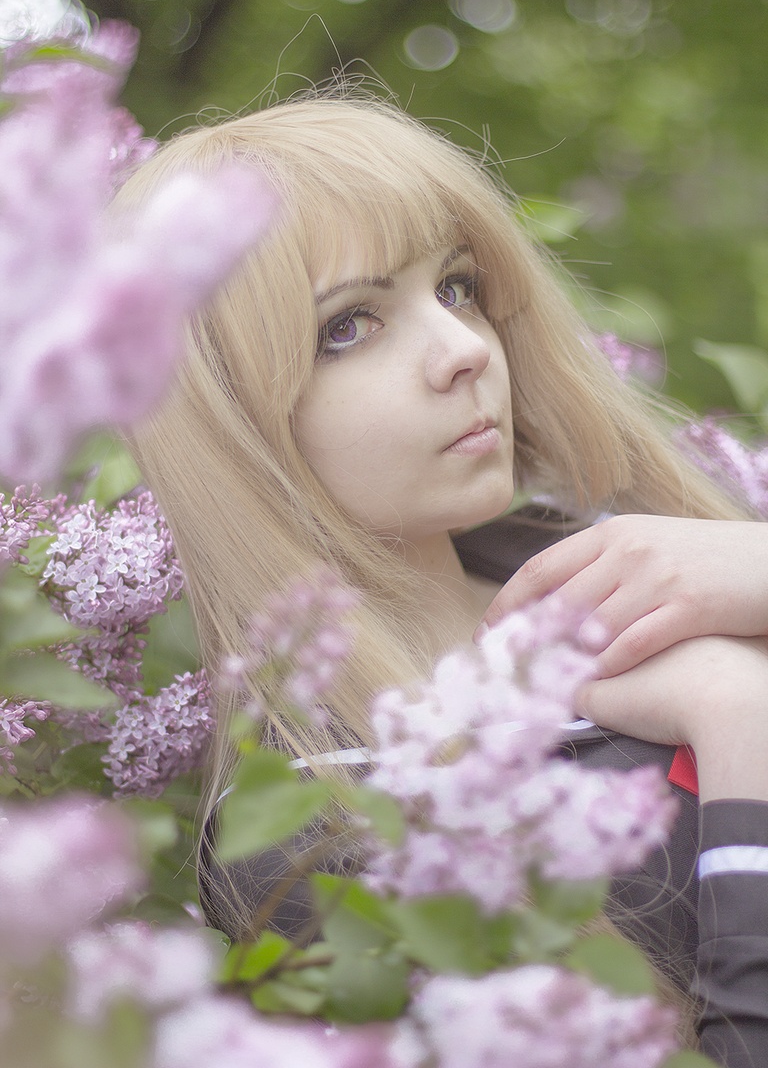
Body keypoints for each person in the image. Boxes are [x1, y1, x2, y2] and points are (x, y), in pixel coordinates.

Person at [117, 96, 768, 1066]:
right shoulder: (311, 825)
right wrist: (737, 714)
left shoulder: (648, 560)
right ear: (236, 422)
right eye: (348, 328)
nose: (465, 350)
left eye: (456, 287)